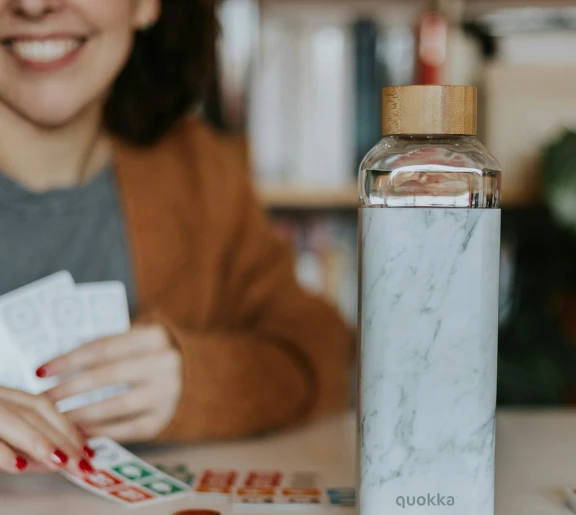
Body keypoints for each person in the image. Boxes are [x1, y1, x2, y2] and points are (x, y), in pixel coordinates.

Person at [0, 0, 352, 478]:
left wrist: (202, 383)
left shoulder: (197, 171)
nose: (34, 5)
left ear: (146, 5)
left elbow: (321, 349)